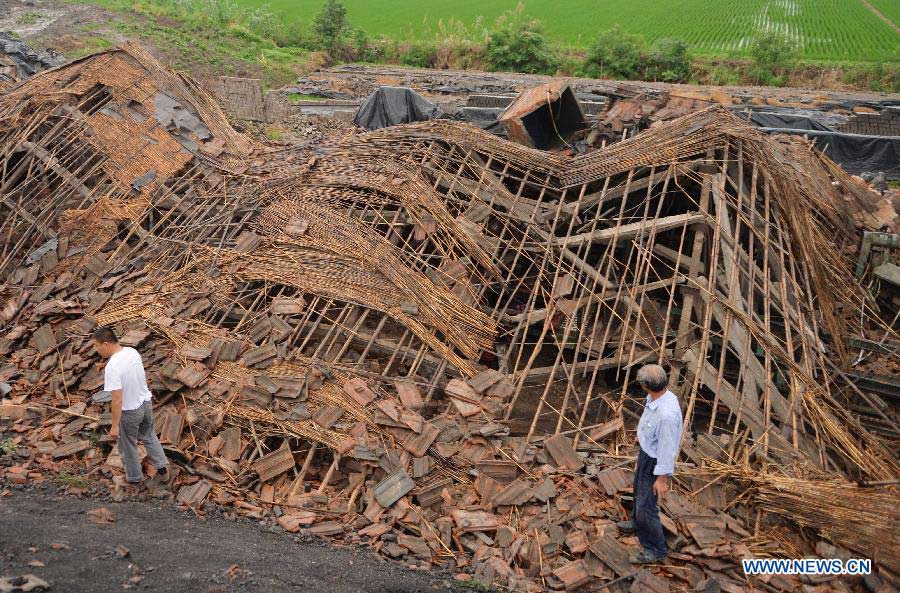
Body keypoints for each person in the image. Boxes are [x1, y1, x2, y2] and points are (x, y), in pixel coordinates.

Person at [618, 364, 683, 564]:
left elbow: (667, 449)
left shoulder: (667, 416)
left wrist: (661, 478)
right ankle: (638, 523)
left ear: (646, 386)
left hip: (655, 461)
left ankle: (656, 548)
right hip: (647, 454)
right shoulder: (659, 396)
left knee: (647, 506)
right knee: (639, 491)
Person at [92, 327, 170, 490]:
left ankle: (134, 480)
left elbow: (117, 399)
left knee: (127, 445)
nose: (96, 349)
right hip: (145, 403)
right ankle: (163, 471)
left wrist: (114, 426)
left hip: (130, 411)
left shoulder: (112, 367)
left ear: (105, 344)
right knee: (149, 436)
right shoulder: (132, 352)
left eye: (96, 346)